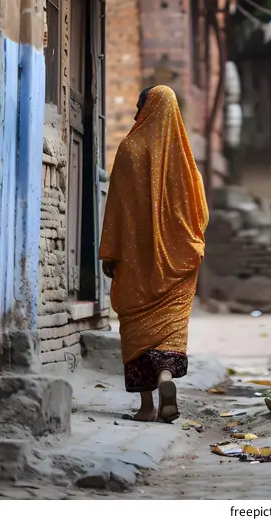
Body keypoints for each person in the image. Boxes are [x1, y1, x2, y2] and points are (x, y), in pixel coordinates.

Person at [99, 85, 208, 422]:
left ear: (148, 108)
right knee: (170, 329)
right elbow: (200, 214)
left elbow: (116, 208)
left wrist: (111, 254)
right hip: (178, 265)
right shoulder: (185, 161)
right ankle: (166, 377)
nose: (134, 115)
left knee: (136, 330)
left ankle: (146, 407)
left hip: (135, 264)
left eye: (138, 106)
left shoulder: (128, 149)